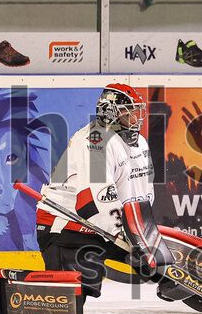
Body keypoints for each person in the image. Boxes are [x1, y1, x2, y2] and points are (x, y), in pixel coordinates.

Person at [35, 84, 174, 299]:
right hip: (69, 228)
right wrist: (128, 236)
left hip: (108, 227)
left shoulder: (140, 143)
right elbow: (92, 201)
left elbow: (142, 194)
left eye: (137, 112)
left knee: (165, 264)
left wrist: (141, 234)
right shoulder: (94, 140)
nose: (136, 118)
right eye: (128, 112)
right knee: (73, 297)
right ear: (110, 113)